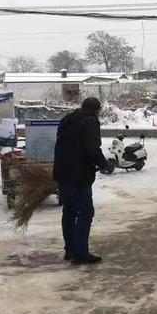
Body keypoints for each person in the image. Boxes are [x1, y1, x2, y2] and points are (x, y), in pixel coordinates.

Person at [53, 97, 108, 265]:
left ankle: (70, 249)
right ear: (96, 109)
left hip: (63, 174)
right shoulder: (90, 122)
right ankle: (81, 253)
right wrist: (105, 164)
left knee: (69, 212)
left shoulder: (67, 120)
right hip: (79, 176)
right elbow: (92, 149)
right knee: (85, 213)